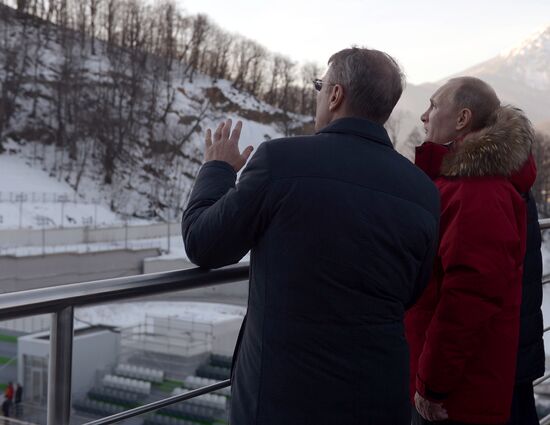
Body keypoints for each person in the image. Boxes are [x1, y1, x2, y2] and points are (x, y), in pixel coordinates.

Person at [182, 47, 440, 425]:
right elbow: (413, 288)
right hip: (379, 399)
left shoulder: (280, 161)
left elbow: (203, 243)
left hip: (282, 400)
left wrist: (218, 168)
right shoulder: (423, 190)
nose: (318, 94)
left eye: (320, 86)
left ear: (336, 95)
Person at [404, 76, 540, 425]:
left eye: (433, 106)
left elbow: (468, 298)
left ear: (462, 119)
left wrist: (432, 385)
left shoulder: (476, 190)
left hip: (457, 396)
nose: (424, 116)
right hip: (465, 383)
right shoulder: (471, 183)